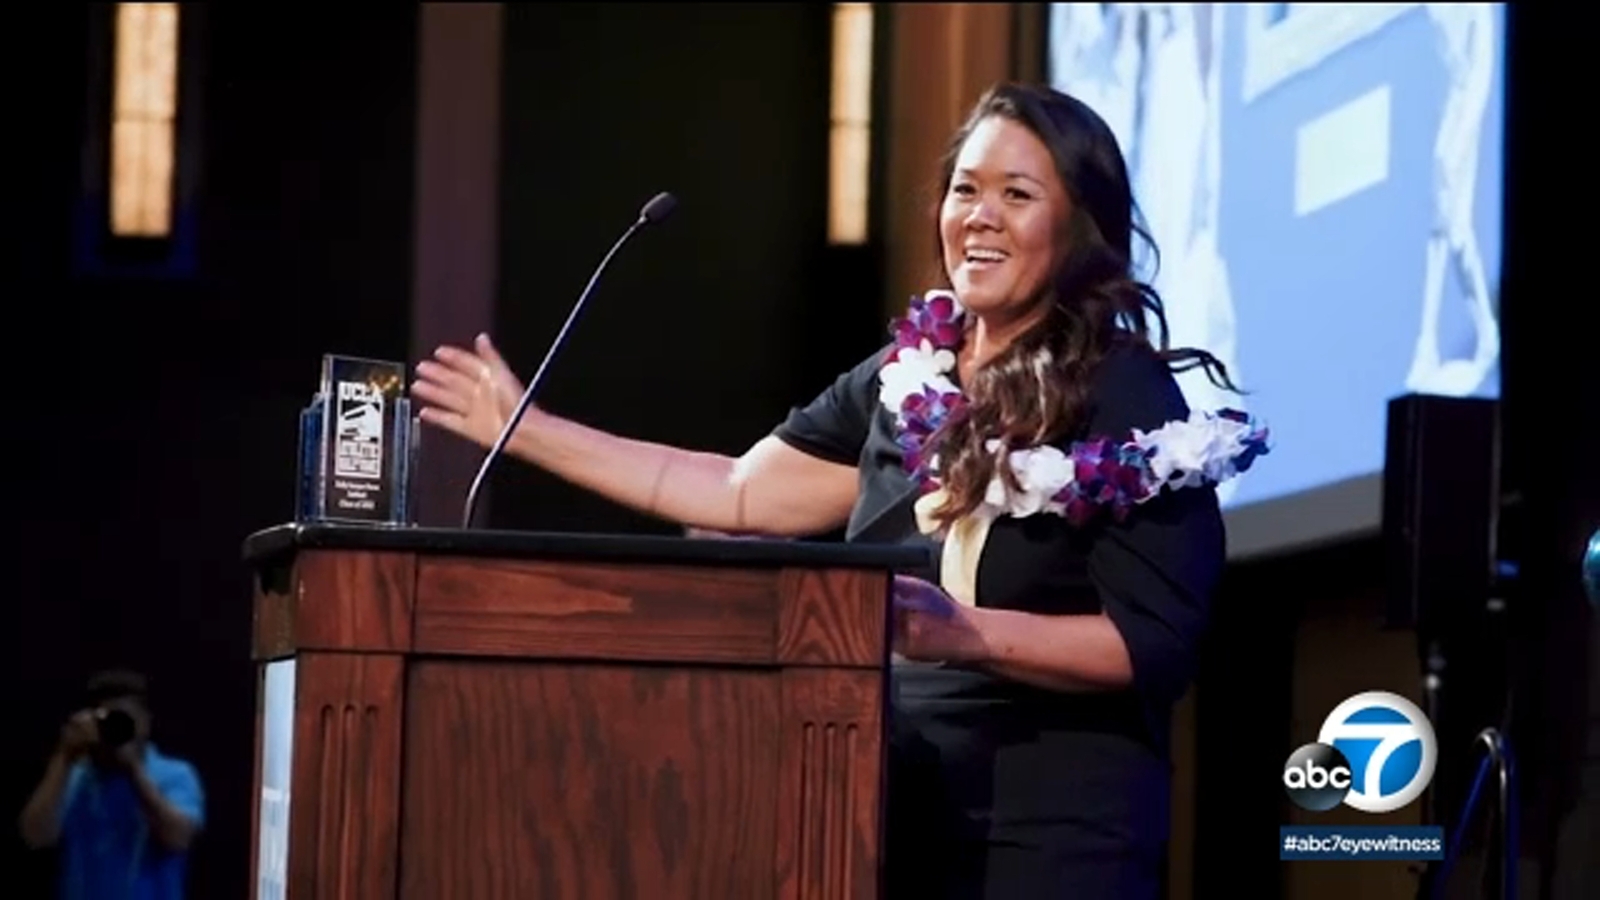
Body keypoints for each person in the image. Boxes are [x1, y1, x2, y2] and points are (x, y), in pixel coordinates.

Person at [412, 82, 1267, 898]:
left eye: (1017, 195)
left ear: (1079, 227)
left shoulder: (1124, 395)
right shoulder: (906, 379)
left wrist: (966, 635)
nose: (979, 217)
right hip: (877, 804)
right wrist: (529, 430)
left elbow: (1152, 642)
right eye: (965, 189)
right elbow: (736, 490)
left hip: (1049, 835)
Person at [18, 669, 205, 900]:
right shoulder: (76, 777)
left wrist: (133, 770)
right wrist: (64, 758)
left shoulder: (173, 774)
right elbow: (35, 837)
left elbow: (177, 838)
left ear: (145, 723)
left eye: (125, 720)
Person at [1406, 2, 1500, 397]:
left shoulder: (1477, 12)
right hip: (1454, 104)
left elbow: (1478, 69)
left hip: (1466, 107)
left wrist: (1460, 138)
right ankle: (1427, 342)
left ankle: (1482, 333)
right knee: (1442, 228)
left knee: (1455, 230)